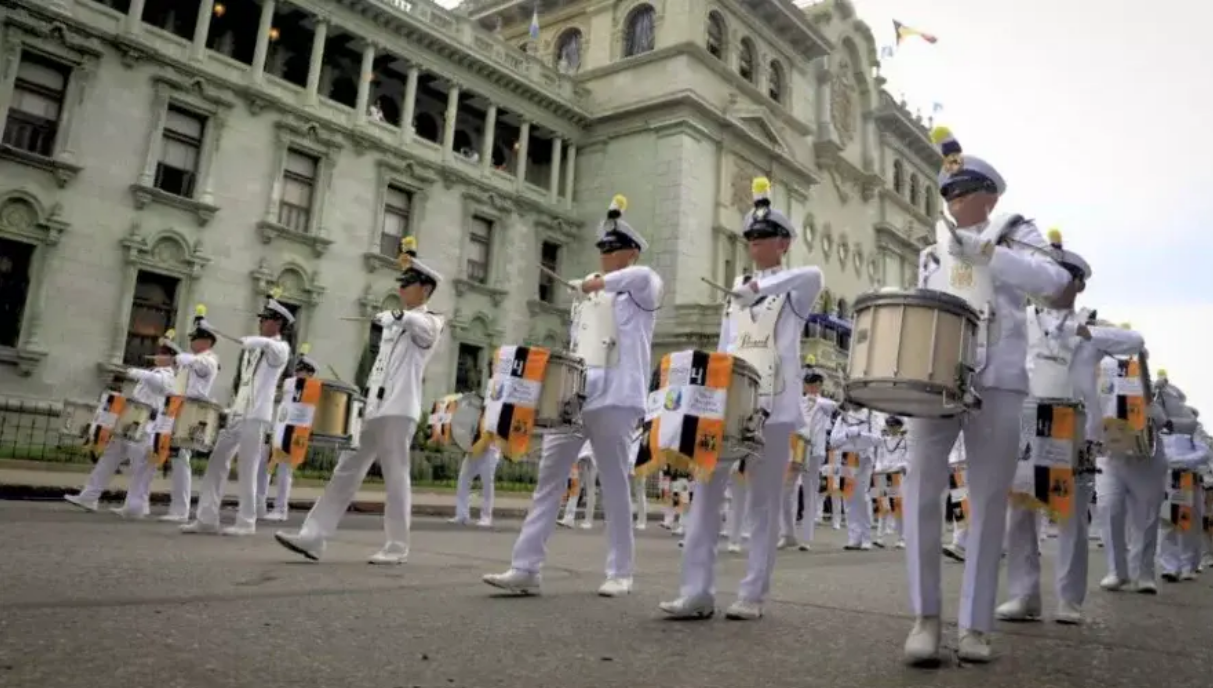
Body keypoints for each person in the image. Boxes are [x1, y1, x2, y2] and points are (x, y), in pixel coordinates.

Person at [902, 127, 1071, 665]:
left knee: (989, 499)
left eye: (963, 190)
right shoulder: (932, 250)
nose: (953, 200)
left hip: (998, 376)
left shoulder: (1016, 231)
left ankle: (975, 624)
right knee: (924, 492)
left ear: (990, 195)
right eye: (948, 193)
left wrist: (989, 253)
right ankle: (925, 618)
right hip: (937, 374)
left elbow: (1054, 280)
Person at [659, 176, 824, 621]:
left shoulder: (794, 288)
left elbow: (814, 275)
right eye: (750, 236)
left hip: (776, 404)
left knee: (764, 503)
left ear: (783, 243)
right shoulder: (736, 290)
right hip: (732, 405)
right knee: (705, 495)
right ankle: (697, 591)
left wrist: (761, 288)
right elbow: (726, 349)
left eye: (764, 236)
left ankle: (752, 594)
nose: (754, 242)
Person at [483, 194, 661, 597]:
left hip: (615, 398)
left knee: (615, 485)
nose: (605, 255)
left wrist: (596, 283)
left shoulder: (641, 289)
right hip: (575, 399)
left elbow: (641, 277)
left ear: (630, 252)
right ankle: (526, 567)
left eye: (613, 249)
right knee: (548, 481)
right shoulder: (587, 299)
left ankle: (621, 571)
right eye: (602, 249)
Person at [998, 229, 1137, 624]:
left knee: (1072, 515)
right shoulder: (1023, 318)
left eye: (1058, 276)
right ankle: (1025, 596)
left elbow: (1135, 341)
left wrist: (1087, 332)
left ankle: (1069, 600)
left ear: (1076, 283)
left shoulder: (1089, 323)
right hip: (1028, 422)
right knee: (1021, 513)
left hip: (1074, 429)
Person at [275, 237, 443, 564]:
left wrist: (397, 316)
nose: (402, 289)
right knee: (346, 469)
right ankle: (314, 537)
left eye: (408, 284)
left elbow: (422, 327)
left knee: (396, 477)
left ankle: (396, 547)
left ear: (424, 288)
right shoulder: (396, 323)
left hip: (400, 409)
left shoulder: (430, 321)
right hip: (376, 407)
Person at [181, 291, 291, 537]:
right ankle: (206, 518)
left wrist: (222, 332)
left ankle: (246, 521)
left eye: (266, 319)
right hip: (239, 414)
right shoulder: (254, 350)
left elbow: (266, 345)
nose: (261, 323)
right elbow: (245, 383)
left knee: (248, 467)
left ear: (277, 323)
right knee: (217, 461)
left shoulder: (280, 348)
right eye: (261, 319)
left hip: (257, 415)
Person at [64, 352, 173, 516]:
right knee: (108, 458)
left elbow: (158, 383)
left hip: (145, 426)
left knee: (140, 467)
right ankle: (89, 496)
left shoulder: (167, 375)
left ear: (170, 359)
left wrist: (130, 371)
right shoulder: (154, 372)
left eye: (161, 354)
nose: (156, 356)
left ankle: (138, 505)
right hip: (130, 422)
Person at [1093, 325, 1159, 593]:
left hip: (1143, 458)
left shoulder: (1146, 379)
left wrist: (1155, 412)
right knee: (1109, 510)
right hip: (1109, 456)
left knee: (1145, 517)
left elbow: (1160, 418)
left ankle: (1144, 574)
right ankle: (1116, 571)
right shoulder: (1097, 370)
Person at [159, 309, 221, 523]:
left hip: (193, 410)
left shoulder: (208, 360)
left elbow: (197, 363)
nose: (192, 343)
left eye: (195, 338)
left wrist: (176, 352)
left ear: (206, 340)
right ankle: (178, 507)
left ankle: (180, 509)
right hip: (183, 407)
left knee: (181, 458)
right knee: (177, 457)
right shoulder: (195, 359)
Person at [779, 364, 837, 551]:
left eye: (816, 385)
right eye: (809, 385)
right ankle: (787, 534)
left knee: (810, 492)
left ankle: (806, 537)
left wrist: (813, 399)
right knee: (787, 490)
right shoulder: (798, 403)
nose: (812, 388)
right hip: (796, 449)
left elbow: (833, 407)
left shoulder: (825, 404)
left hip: (814, 451)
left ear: (820, 386)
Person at [257, 345, 318, 522]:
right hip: (280, 428)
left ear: (310, 373)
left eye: (302, 370)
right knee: (264, 467)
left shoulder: (310, 387)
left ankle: (281, 509)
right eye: (298, 369)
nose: (298, 373)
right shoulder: (290, 383)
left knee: (284, 472)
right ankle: (259, 504)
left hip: (294, 432)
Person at [1158, 419, 1211, 582]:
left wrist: (1181, 462)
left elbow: (1204, 452)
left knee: (1188, 523)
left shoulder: (1193, 427)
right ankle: (1170, 566)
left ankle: (1188, 565)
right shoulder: (1159, 426)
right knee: (1167, 523)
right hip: (1166, 478)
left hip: (1188, 477)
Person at [830, 403, 881, 551]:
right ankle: (854, 537)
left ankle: (866, 537)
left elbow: (877, 439)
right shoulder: (842, 418)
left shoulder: (871, 416)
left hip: (863, 459)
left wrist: (860, 434)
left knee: (862, 498)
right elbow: (833, 441)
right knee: (849, 499)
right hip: (847, 458)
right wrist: (846, 434)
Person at [873, 415, 908, 549]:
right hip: (883, 474)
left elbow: (907, 459)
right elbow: (879, 458)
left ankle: (901, 538)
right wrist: (878, 468)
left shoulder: (904, 442)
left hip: (897, 475)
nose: (891, 428)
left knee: (898, 508)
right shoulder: (883, 441)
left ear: (899, 427)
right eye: (889, 426)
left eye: (894, 426)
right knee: (882, 508)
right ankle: (880, 537)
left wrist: (900, 467)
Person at [450, 442, 502, 528]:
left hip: (490, 450)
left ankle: (486, 517)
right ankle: (462, 515)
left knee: (487, 482)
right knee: (463, 478)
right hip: (474, 448)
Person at [559, 441, 597, 529]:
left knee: (590, 487)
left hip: (593, 453)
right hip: (581, 451)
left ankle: (588, 519)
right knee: (575, 485)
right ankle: (569, 517)